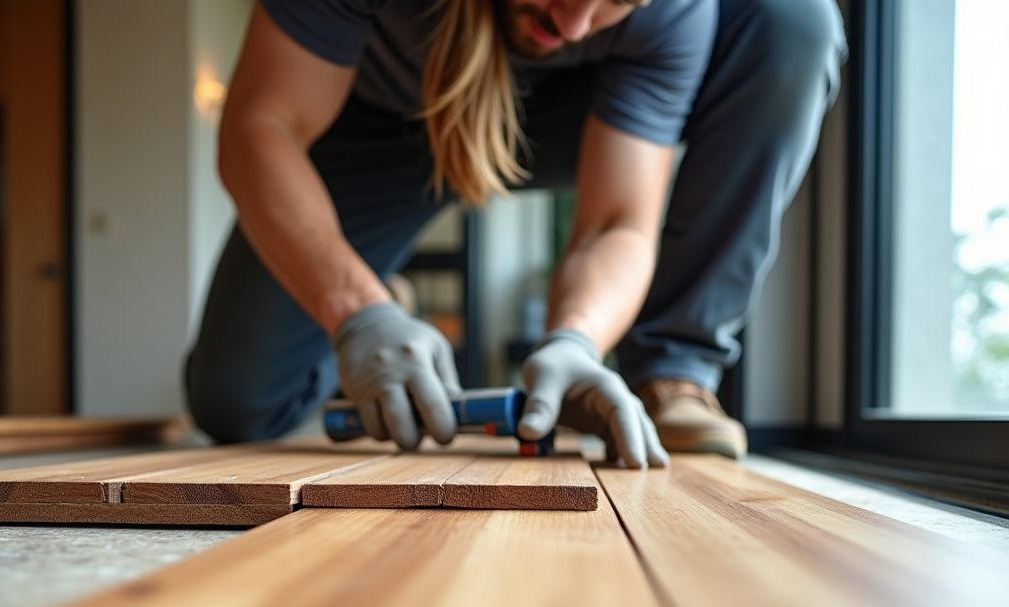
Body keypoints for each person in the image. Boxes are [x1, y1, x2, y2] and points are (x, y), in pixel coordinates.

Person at [185, 0, 847, 465]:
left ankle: (674, 372)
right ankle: (384, 296)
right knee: (237, 402)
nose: (575, 22)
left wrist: (578, 339)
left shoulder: (666, 11)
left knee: (790, 20)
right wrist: (358, 312)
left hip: (566, 115)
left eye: (617, 1)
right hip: (381, 122)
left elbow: (617, 222)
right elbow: (259, 126)